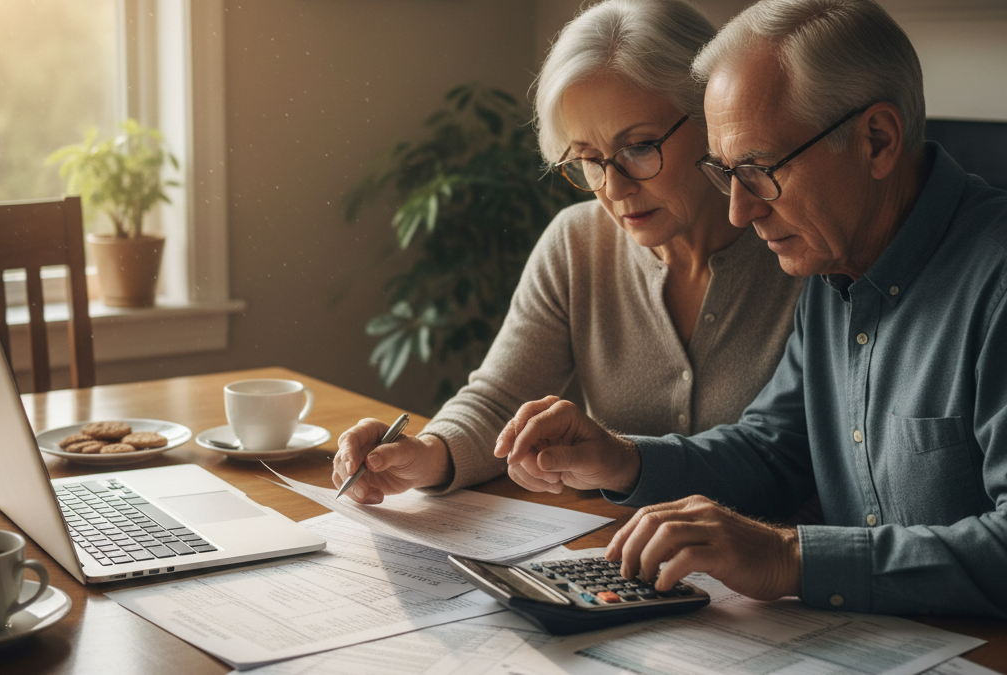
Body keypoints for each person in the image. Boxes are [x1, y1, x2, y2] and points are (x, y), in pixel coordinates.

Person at [495, 0, 1007, 618]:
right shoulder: (833, 260)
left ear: (877, 140)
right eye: (726, 171)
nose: (740, 210)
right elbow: (773, 449)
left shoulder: (993, 283)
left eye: (760, 169)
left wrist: (788, 557)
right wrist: (622, 459)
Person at [331, 0, 803, 505]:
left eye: (640, 147)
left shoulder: (801, 251)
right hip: (614, 559)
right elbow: (499, 401)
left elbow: (790, 459)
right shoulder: (577, 243)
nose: (614, 189)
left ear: (713, 116)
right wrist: (427, 453)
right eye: (587, 160)